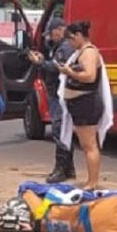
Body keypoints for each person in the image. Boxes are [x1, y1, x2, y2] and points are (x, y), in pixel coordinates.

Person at [57, 21, 113, 191]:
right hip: (79, 103)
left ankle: (93, 181)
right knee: (86, 144)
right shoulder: (80, 53)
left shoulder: (88, 53)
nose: (70, 44)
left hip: (86, 102)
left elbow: (89, 76)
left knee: (90, 145)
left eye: (71, 40)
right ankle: (91, 180)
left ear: (79, 36)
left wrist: (70, 72)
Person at [27, 17, 77, 182]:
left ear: (59, 30)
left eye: (51, 34)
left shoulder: (64, 47)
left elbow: (56, 68)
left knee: (59, 130)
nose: (50, 38)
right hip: (59, 93)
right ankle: (68, 168)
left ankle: (61, 169)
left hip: (59, 94)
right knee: (63, 130)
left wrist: (40, 62)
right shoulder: (63, 46)